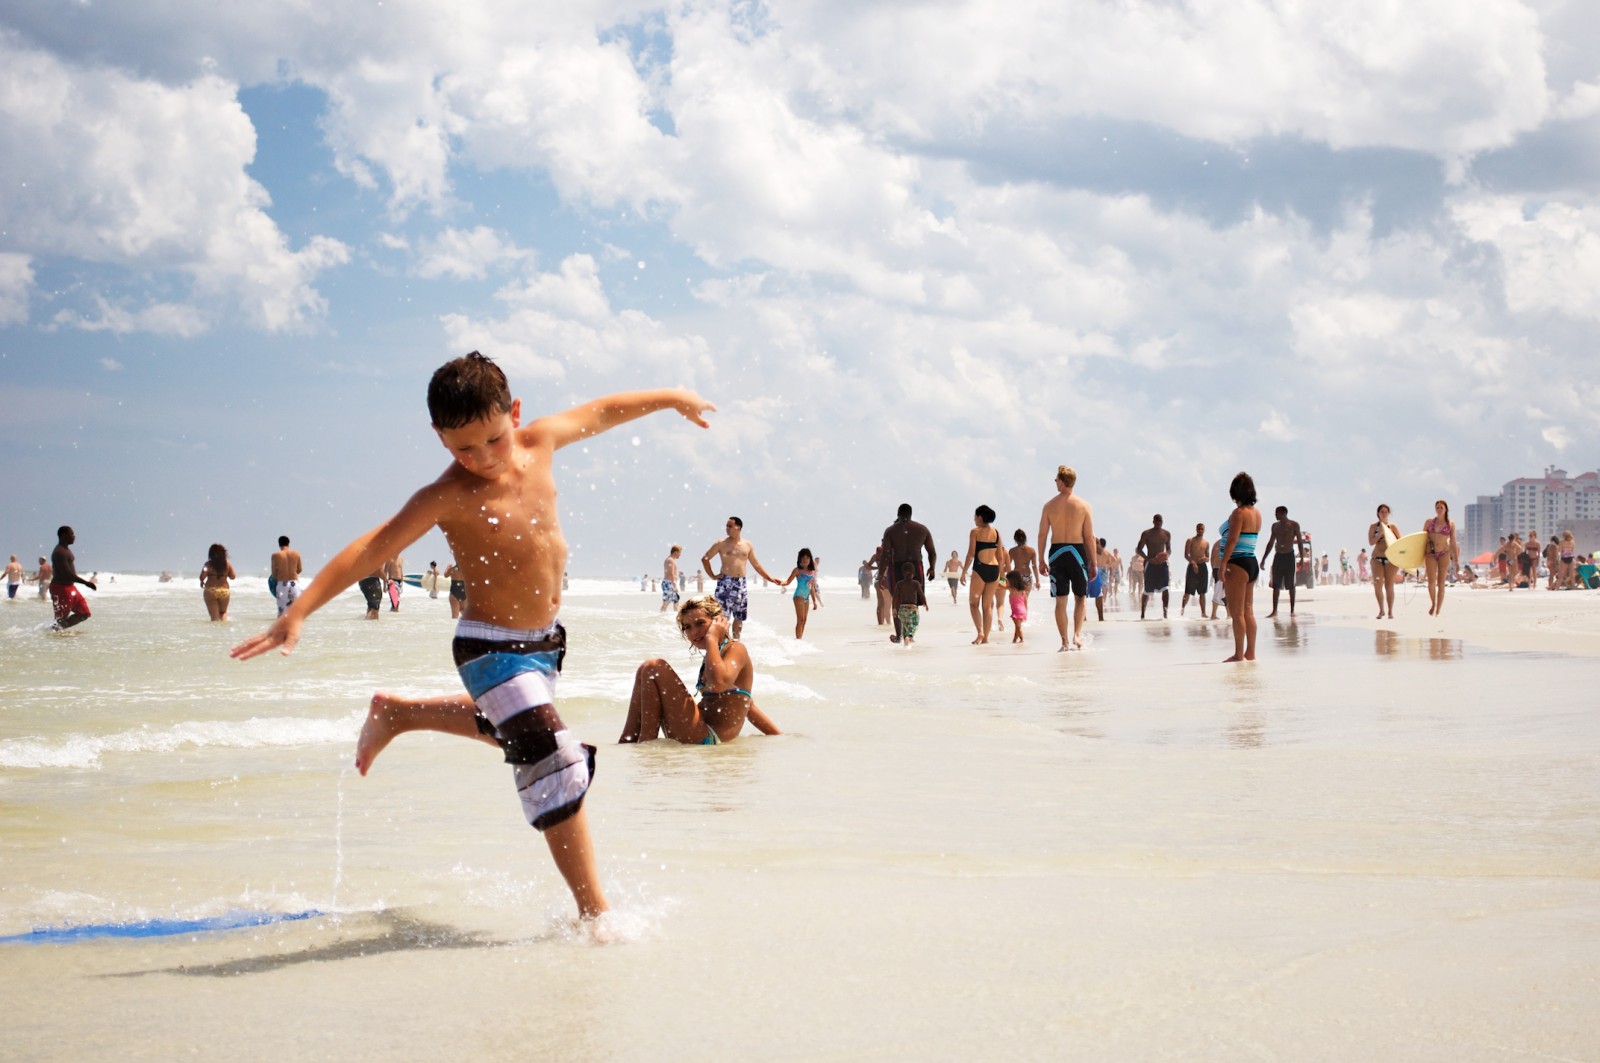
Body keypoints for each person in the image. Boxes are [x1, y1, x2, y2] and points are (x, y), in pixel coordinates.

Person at [232, 350, 716, 924]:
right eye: (464, 447)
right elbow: (373, 547)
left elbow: (604, 411)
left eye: (493, 439)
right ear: (439, 438)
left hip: (544, 644)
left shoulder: (539, 443)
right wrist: (300, 610)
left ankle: (399, 714)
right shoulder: (446, 496)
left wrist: (672, 398)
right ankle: (596, 914)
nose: (482, 457)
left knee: (509, 728)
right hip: (488, 646)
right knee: (550, 755)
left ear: (513, 413)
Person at [619, 595, 780, 744]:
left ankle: (646, 744)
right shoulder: (713, 657)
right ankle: (627, 742)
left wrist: (712, 638)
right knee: (644, 670)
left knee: (653, 667)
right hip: (697, 730)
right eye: (687, 627)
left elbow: (719, 685)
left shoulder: (736, 649)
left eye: (700, 623)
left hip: (708, 738)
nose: (693, 631)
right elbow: (748, 706)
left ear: (718, 621)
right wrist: (779, 737)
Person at [1037, 465, 1096, 651]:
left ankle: (1064, 642)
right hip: (1077, 553)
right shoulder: (1084, 506)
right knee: (1080, 597)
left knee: (1060, 600)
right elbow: (1089, 537)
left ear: (1061, 482)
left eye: (1056, 480)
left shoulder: (1049, 506)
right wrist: (1093, 562)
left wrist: (1041, 560)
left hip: (1056, 553)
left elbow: (1042, 535)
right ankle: (1077, 635)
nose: (1055, 483)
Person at [701, 517, 779, 641]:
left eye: (729, 526)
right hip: (726, 583)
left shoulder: (747, 545)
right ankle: (722, 645)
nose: (727, 528)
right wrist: (712, 576)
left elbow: (756, 565)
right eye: (726, 525)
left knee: (739, 616)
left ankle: (736, 642)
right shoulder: (721, 543)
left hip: (741, 583)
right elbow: (705, 559)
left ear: (738, 528)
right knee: (722, 618)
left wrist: (770, 578)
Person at [1218, 472, 1262, 663]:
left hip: (1237, 563)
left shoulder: (1239, 513)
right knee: (1249, 611)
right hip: (1251, 562)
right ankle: (1250, 652)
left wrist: (1223, 564)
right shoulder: (1256, 513)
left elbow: (1232, 540)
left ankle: (1238, 653)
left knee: (1237, 613)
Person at [880, 503, 937, 644]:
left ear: (898, 514)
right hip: (916, 566)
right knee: (912, 600)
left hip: (898, 566)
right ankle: (910, 634)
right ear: (910, 514)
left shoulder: (891, 531)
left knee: (897, 601)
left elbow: (885, 555)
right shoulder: (922, 529)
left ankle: (899, 635)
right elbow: (932, 551)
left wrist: (881, 575)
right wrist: (932, 568)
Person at [961, 504, 1008, 645]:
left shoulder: (975, 532)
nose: (974, 519)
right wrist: (1002, 577)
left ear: (980, 517)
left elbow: (970, 554)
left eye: (975, 516)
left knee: (973, 604)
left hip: (980, 569)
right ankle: (986, 638)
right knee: (987, 606)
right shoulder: (997, 533)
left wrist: (963, 572)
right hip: (993, 570)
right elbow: (1000, 557)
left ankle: (980, 632)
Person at [1260, 506, 1305, 618]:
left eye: (1277, 513)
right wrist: (1264, 559)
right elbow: (1270, 543)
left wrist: (1302, 559)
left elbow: (1299, 542)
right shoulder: (1275, 526)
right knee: (1276, 585)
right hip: (1278, 556)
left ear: (1283, 513)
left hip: (1289, 556)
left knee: (1291, 585)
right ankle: (1274, 611)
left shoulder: (1294, 525)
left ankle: (1292, 611)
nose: (1275, 515)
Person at [48, 527, 96, 630]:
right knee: (60, 619)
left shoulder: (66, 549)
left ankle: (58, 631)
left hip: (70, 587)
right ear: (64, 535)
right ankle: (55, 636)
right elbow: (67, 574)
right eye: (72, 534)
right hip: (60, 588)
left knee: (84, 613)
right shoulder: (59, 552)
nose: (74, 536)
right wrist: (86, 583)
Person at [1422, 500, 1459, 616]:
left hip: (1444, 553)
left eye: (1441, 507)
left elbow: (1453, 541)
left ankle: (1438, 609)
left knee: (1441, 582)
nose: (1439, 509)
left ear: (1446, 509)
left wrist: (1456, 559)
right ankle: (1433, 603)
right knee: (1431, 582)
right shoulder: (1429, 522)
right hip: (1430, 553)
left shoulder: (1450, 523)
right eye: (1437, 507)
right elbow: (1421, 538)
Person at [1135, 515, 1171, 620]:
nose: (1158, 522)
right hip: (1150, 564)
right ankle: (1142, 615)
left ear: (1162, 521)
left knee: (1165, 589)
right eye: (1157, 520)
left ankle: (1165, 614)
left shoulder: (1166, 534)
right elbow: (1138, 549)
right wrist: (1147, 558)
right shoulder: (1147, 534)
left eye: (1160, 520)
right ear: (1153, 521)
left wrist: (1166, 555)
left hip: (1163, 564)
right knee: (1147, 590)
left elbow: (1169, 549)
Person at [1368, 505, 1401, 617]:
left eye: (1386, 512)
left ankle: (1390, 611)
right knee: (1377, 584)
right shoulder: (1373, 526)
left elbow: (1400, 542)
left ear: (1388, 513)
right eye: (1382, 512)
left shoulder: (1392, 526)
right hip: (1377, 558)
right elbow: (1371, 542)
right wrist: (1381, 533)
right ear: (1378, 513)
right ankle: (1381, 609)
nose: (1384, 513)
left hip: (1391, 559)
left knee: (1389, 585)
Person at [780, 547, 819, 639]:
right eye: (803, 558)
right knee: (800, 620)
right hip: (799, 596)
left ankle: (800, 640)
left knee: (804, 620)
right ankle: (798, 640)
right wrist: (781, 582)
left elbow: (812, 587)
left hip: (806, 598)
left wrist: (814, 601)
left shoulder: (812, 572)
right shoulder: (797, 570)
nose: (805, 560)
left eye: (807, 558)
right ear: (800, 559)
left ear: (810, 559)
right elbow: (787, 582)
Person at [200, 543, 236, 621]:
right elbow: (233, 577)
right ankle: (223, 631)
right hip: (224, 591)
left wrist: (202, 581)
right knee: (223, 613)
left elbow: (202, 576)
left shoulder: (208, 565)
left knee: (214, 617)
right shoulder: (227, 564)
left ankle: (214, 632)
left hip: (210, 591)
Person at [894, 562, 927, 646]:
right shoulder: (916, 583)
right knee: (914, 624)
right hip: (912, 609)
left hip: (902, 609)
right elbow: (921, 594)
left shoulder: (899, 584)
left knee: (905, 625)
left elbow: (895, 597)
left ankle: (906, 642)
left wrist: (894, 608)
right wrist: (925, 603)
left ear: (902, 573)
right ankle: (909, 637)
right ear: (914, 573)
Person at [269, 536, 303, 617]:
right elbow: (299, 570)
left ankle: (281, 629)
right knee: (295, 613)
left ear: (279, 544)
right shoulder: (296, 554)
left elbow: (274, 574)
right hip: (294, 584)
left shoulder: (275, 555)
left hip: (282, 584)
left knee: (281, 614)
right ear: (288, 543)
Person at [1180, 523, 1209, 617]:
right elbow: (1186, 555)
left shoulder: (1206, 543)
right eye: (1199, 529)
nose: (1200, 531)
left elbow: (1208, 557)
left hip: (1202, 567)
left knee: (1202, 592)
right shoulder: (1190, 540)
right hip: (1192, 566)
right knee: (1188, 591)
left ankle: (1203, 613)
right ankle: (1182, 610)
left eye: (1202, 529)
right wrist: (1193, 563)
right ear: (1196, 529)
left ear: (1204, 530)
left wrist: (1205, 559)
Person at [1008, 530, 1040, 609]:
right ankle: (1023, 618)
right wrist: (1037, 581)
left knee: (1017, 600)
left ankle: (1018, 618)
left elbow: (1007, 566)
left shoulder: (1012, 551)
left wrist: (1002, 576)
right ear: (1025, 538)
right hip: (1027, 577)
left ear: (1015, 539)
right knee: (1025, 600)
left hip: (1016, 577)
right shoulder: (1031, 551)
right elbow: (1034, 566)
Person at [1005, 569, 1027, 643]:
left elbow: (999, 586)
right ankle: (1019, 639)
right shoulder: (1022, 590)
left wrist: (999, 578)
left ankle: (1017, 639)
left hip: (1017, 611)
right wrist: (1026, 611)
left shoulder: (1012, 589)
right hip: (1021, 610)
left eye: (1007, 580)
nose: (1006, 582)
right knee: (1017, 626)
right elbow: (1025, 601)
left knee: (1018, 627)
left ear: (1012, 581)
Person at [661, 545, 682, 612]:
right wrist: (675, 585)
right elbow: (671, 573)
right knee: (666, 602)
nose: (680, 555)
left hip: (669, 583)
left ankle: (676, 617)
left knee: (676, 601)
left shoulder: (670, 560)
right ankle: (660, 617)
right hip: (669, 583)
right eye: (680, 552)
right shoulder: (670, 560)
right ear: (676, 552)